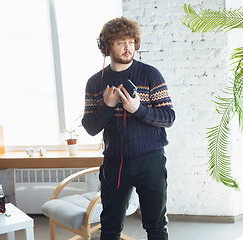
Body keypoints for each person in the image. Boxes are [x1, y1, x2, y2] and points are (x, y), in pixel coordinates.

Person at [81, 16, 175, 240]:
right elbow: (90, 128)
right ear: (106, 47)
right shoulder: (95, 83)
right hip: (114, 164)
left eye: (132, 42)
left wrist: (138, 109)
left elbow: (169, 117)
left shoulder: (151, 74)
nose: (128, 47)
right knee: (110, 228)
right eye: (121, 42)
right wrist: (107, 106)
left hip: (151, 162)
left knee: (156, 226)